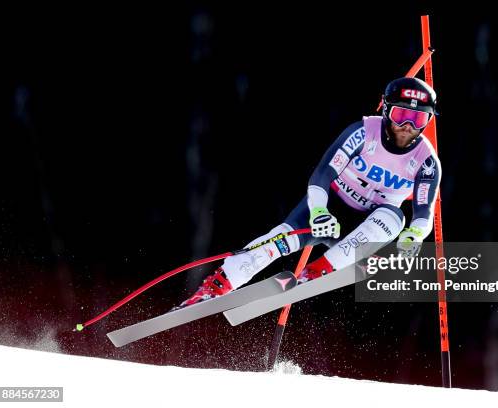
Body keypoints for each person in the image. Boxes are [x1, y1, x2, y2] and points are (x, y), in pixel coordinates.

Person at [173, 77, 442, 309]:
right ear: (385, 110)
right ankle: (214, 288)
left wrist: (415, 236)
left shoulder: (426, 160)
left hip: (364, 229)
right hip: (329, 212)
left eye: (419, 118)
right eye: (400, 114)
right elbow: (322, 175)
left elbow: (423, 211)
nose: (408, 125)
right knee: (274, 241)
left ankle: (315, 272)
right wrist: (319, 211)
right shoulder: (362, 132)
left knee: (396, 217)